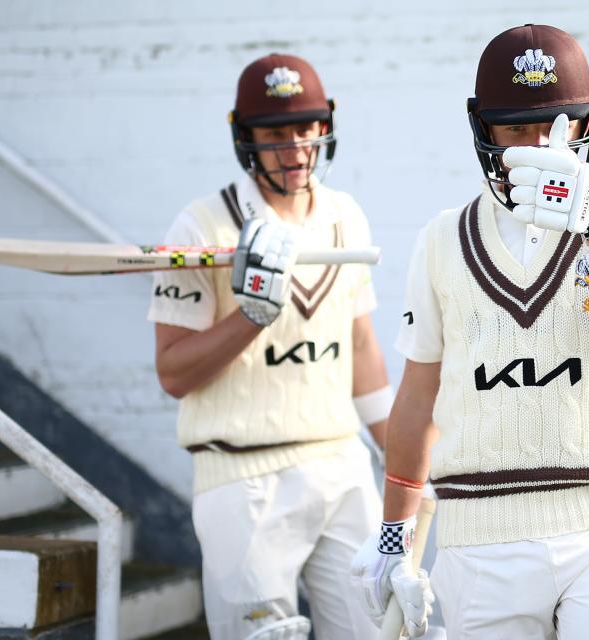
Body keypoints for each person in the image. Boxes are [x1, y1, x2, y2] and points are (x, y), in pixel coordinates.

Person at [350, 24, 589, 639]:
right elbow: (417, 398)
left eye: (557, 125)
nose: (538, 147)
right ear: (483, 128)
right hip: (480, 538)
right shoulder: (441, 240)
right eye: (516, 129)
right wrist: (396, 538)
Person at [149, 53, 392, 640]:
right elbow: (173, 373)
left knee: (377, 630)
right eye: (276, 134)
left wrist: (406, 460)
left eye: (307, 129)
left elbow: (360, 347)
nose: (296, 148)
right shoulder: (201, 228)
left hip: (342, 464)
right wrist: (252, 316)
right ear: (245, 138)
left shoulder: (346, 217)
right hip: (243, 477)